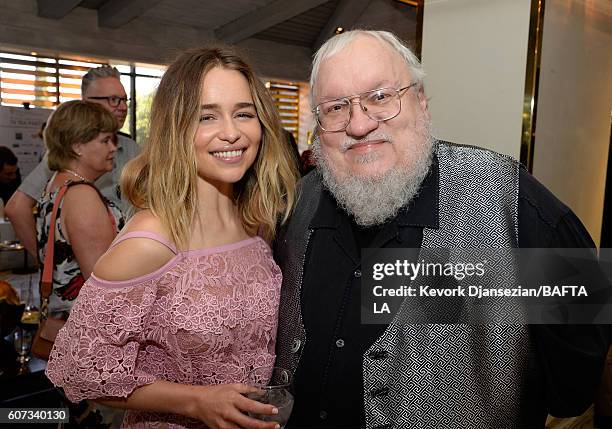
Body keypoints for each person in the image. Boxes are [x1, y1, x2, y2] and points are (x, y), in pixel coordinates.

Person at [273, 30, 611, 428]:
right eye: (335, 107)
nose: (360, 124)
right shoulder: (299, 205)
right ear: (319, 125)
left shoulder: (504, 200)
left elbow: (580, 352)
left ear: (421, 102)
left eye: (380, 97)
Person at [46, 46, 299, 429]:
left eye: (244, 113)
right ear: (175, 128)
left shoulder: (256, 223)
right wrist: (196, 402)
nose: (231, 133)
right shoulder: (150, 240)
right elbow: (80, 370)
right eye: (206, 116)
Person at [5, 65, 140, 258]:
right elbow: (17, 208)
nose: (123, 107)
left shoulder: (131, 148)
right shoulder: (67, 155)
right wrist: (48, 266)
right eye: (113, 100)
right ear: (86, 103)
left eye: (124, 100)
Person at [36, 100, 124, 317]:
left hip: (66, 324)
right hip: (90, 330)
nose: (113, 148)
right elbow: (104, 284)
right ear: (77, 146)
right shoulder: (81, 195)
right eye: (105, 141)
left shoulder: (56, 186)